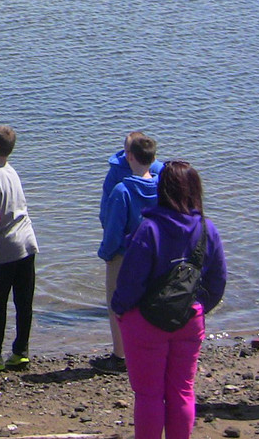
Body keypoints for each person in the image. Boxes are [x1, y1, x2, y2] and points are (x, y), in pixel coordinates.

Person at [111, 160, 226, 439]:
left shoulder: (149, 229)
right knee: (182, 391)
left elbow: (130, 282)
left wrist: (120, 310)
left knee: (149, 395)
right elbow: (217, 281)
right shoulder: (206, 229)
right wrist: (197, 308)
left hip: (145, 323)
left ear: (162, 190)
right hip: (188, 320)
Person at [93, 134, 160, 374]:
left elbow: (112, 224)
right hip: (152, 252)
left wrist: (106, 252)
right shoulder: (162, 182)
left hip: (123, 252)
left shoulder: (122, 189)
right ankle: (147, 351)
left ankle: (120, 356)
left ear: (129, 155)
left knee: (116, 304)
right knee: (147, 303)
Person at [0, 125, 39, 372]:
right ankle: (21, 352)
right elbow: (10, 206)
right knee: (24, 302)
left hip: (5, 249)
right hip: (28, 243)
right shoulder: (12, 172)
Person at [102, 131, 164, 228]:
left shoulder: (157, 169)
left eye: (133, 153)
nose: (130, 157)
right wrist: (107, 225)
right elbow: (106, 201)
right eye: (127, 152)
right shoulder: (116, 170)